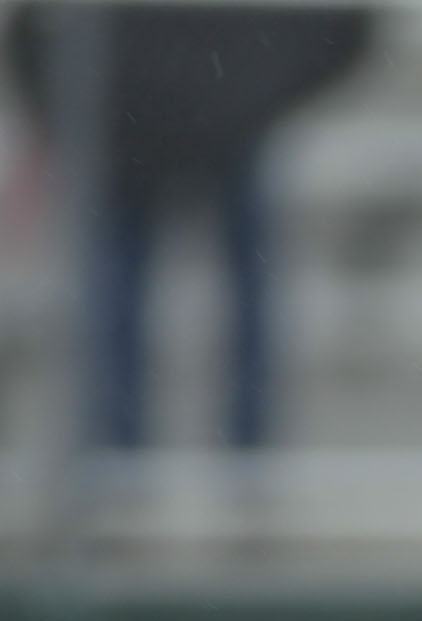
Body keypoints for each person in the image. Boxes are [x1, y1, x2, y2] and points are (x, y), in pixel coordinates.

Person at [7, 3, 375, 450]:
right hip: (165, 120)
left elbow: (349, 27)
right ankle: (178, 452)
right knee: (132, 295)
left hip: (169, 117)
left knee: (140, 294)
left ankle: (155, 451)